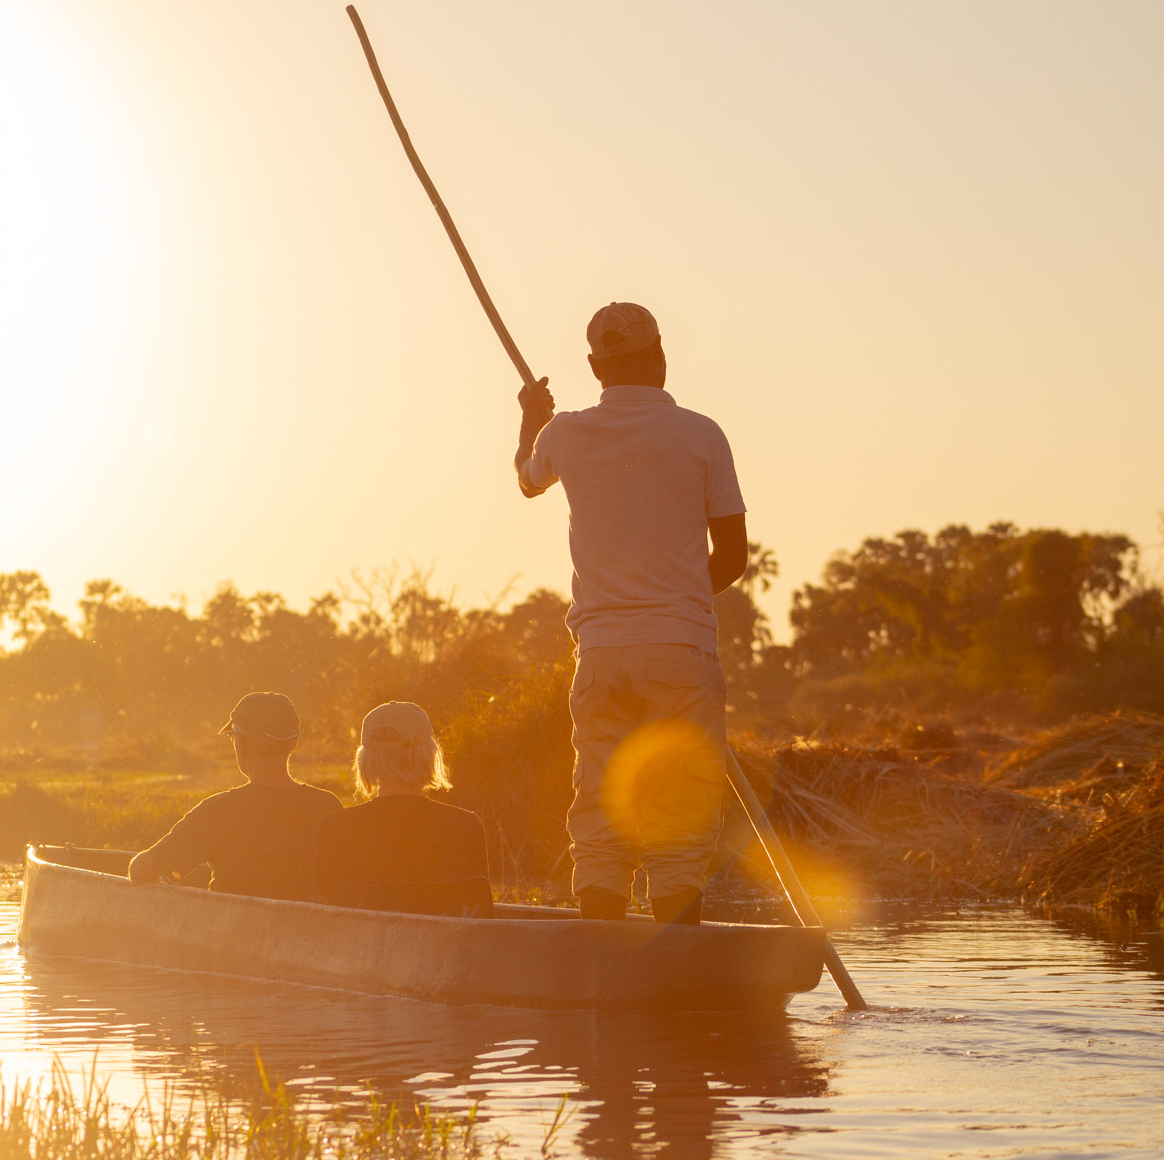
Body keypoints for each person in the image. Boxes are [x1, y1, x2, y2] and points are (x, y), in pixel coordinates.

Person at [515, 302, 748, 925]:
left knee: (600, 820)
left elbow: (526, 482)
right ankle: (674, 983)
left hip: (601, 658)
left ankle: (604, 981)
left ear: (595, 367)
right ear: (661, 355)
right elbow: (733, 555)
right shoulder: (703, 434)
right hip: (680, 652)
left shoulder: (560, 433)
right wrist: (680, 602)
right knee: (678, 827)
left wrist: (529, 424)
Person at [128, 691, 342, 900]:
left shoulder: (220, 810)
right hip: (304, 933)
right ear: (293, 745)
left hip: (229, 933)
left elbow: (140, 870)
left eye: (233, 737)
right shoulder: (327, 807)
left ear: (241, 743)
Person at [313, 702, 491, 915]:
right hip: (445, 947)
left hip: (366, 947)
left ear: (365, 760)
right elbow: (478, 914)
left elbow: (324, 919)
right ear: (429, 755)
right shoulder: (467, 826)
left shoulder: (335, 828)